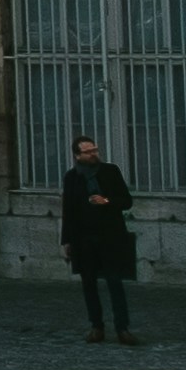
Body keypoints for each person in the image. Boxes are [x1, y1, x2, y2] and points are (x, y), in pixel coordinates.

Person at [58, 130, 142, 345]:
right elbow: (68, 210)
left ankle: (122, 328)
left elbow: (126, 201)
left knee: (115, 282)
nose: (94, 154)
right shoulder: (72, 177)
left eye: (95, 149)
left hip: (110, 236)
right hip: (83, 239)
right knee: (89, 284)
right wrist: (66, 240)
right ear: (78, 156)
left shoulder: (110, 171)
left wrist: (106, 201)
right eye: (88, 151)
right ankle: (96, 326)